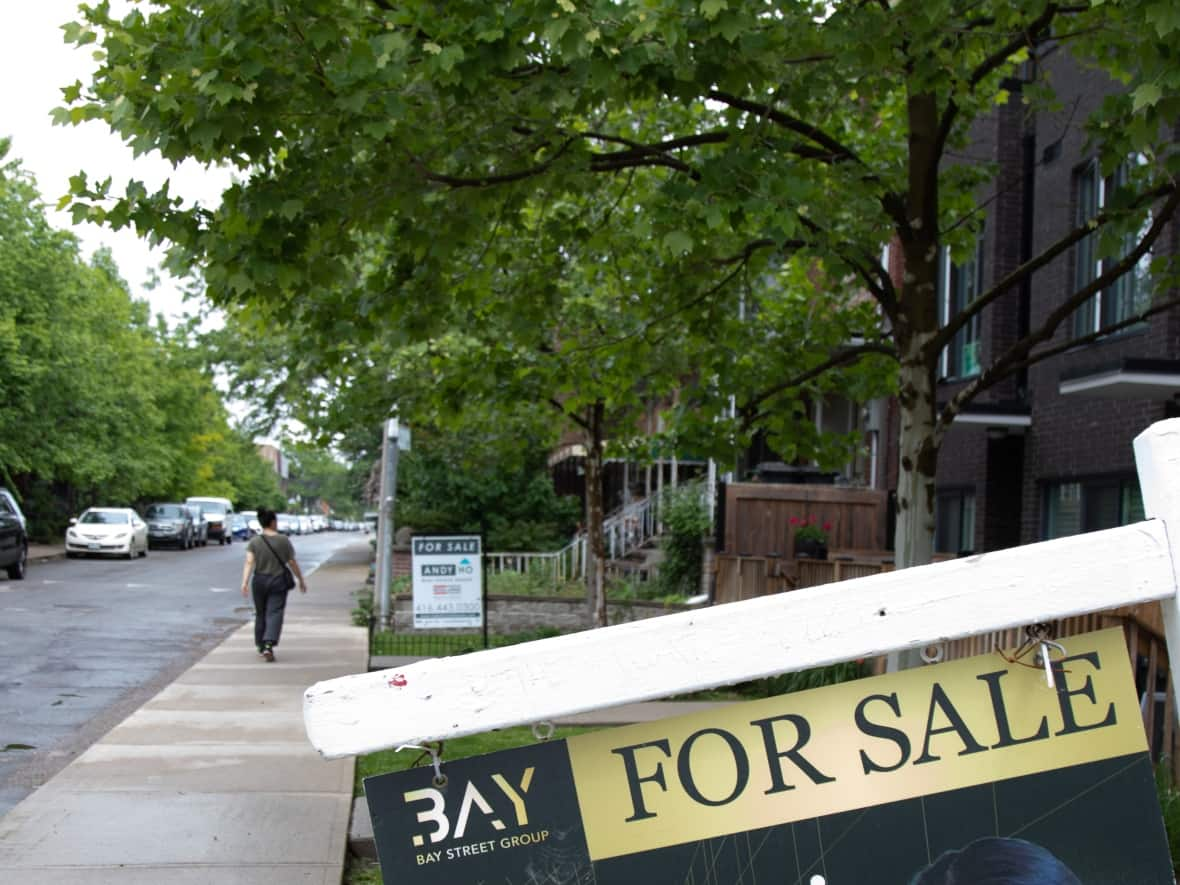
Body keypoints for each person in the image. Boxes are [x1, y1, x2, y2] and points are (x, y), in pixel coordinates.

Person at [240, 507, 307, 661]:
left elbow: (249, 562)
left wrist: (244, 582)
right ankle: (269, 643)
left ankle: (260, 645)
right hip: (278, 581)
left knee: (261, 613)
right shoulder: (283, 540)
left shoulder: (255, 541)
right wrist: (301, 579)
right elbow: (291, 562)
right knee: (275, 612)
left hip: (259, 581)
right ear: (272, 522)